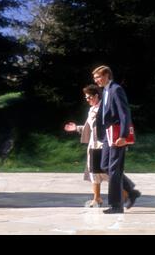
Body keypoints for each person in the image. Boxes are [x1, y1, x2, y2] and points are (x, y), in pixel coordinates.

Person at [92, 65, 141, 214]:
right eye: (95, 78)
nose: (97, 80)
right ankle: (131, 191)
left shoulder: (116, 89)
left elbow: (124, 113)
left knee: (113, 168)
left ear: (107, 75)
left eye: (99, 77)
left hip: (117, 134)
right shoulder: (105, 90)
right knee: (105, 166)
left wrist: (123, 136)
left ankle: (116, 205)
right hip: (108, 134)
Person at [65, 85, 120, 207]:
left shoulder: (104, 108)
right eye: (86, 98)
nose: (87, 100)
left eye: (89, 97)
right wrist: (76, 128)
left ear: (96, 96)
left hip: (103, 145)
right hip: (93, 144)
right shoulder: (91, 110)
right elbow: (89, 128)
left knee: (109, 172)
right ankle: (97, 198)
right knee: (94, 172)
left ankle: (126, 195)